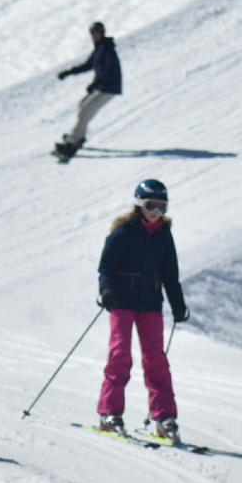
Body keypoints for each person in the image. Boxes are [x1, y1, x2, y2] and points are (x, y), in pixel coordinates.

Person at [95, 179, 190, 442]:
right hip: (122, 302)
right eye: (151, 206)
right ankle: (109, 413)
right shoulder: (123, 232)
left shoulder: (164, 236)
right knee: (120, 356)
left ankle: (164, 418)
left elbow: (170, 275)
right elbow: (106, 267)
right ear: (139, 205)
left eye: (161, 207)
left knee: (156, 360)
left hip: (150, 304)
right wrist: (106, 290)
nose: (156, 212)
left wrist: (178, 305)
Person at [55, 22, 122, 159]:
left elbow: (109, 71)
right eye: (92, 34)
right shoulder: (100, 48)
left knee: (85, 110)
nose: (94, 36)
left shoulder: (107, 49)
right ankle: (78, 135)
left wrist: (96, 83)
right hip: (104, 86)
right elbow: (88, 65)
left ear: (101, 33)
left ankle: (73, 142)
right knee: (82, 106)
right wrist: (69, 72)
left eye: (96, 33)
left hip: (109, 88)